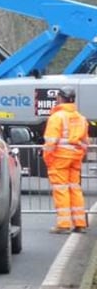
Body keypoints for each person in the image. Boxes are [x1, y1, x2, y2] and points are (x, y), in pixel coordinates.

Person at [43, 86, 90, 234]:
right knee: (74, 189)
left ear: (60, 98)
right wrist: (78, 155)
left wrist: (48, 159)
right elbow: (85, 142)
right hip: (75, 158)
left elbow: (51, 142)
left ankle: (63, 225)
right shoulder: (81, 118)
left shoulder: (56, 117)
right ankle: (80, 223)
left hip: (59, 158)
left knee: (61, 190)